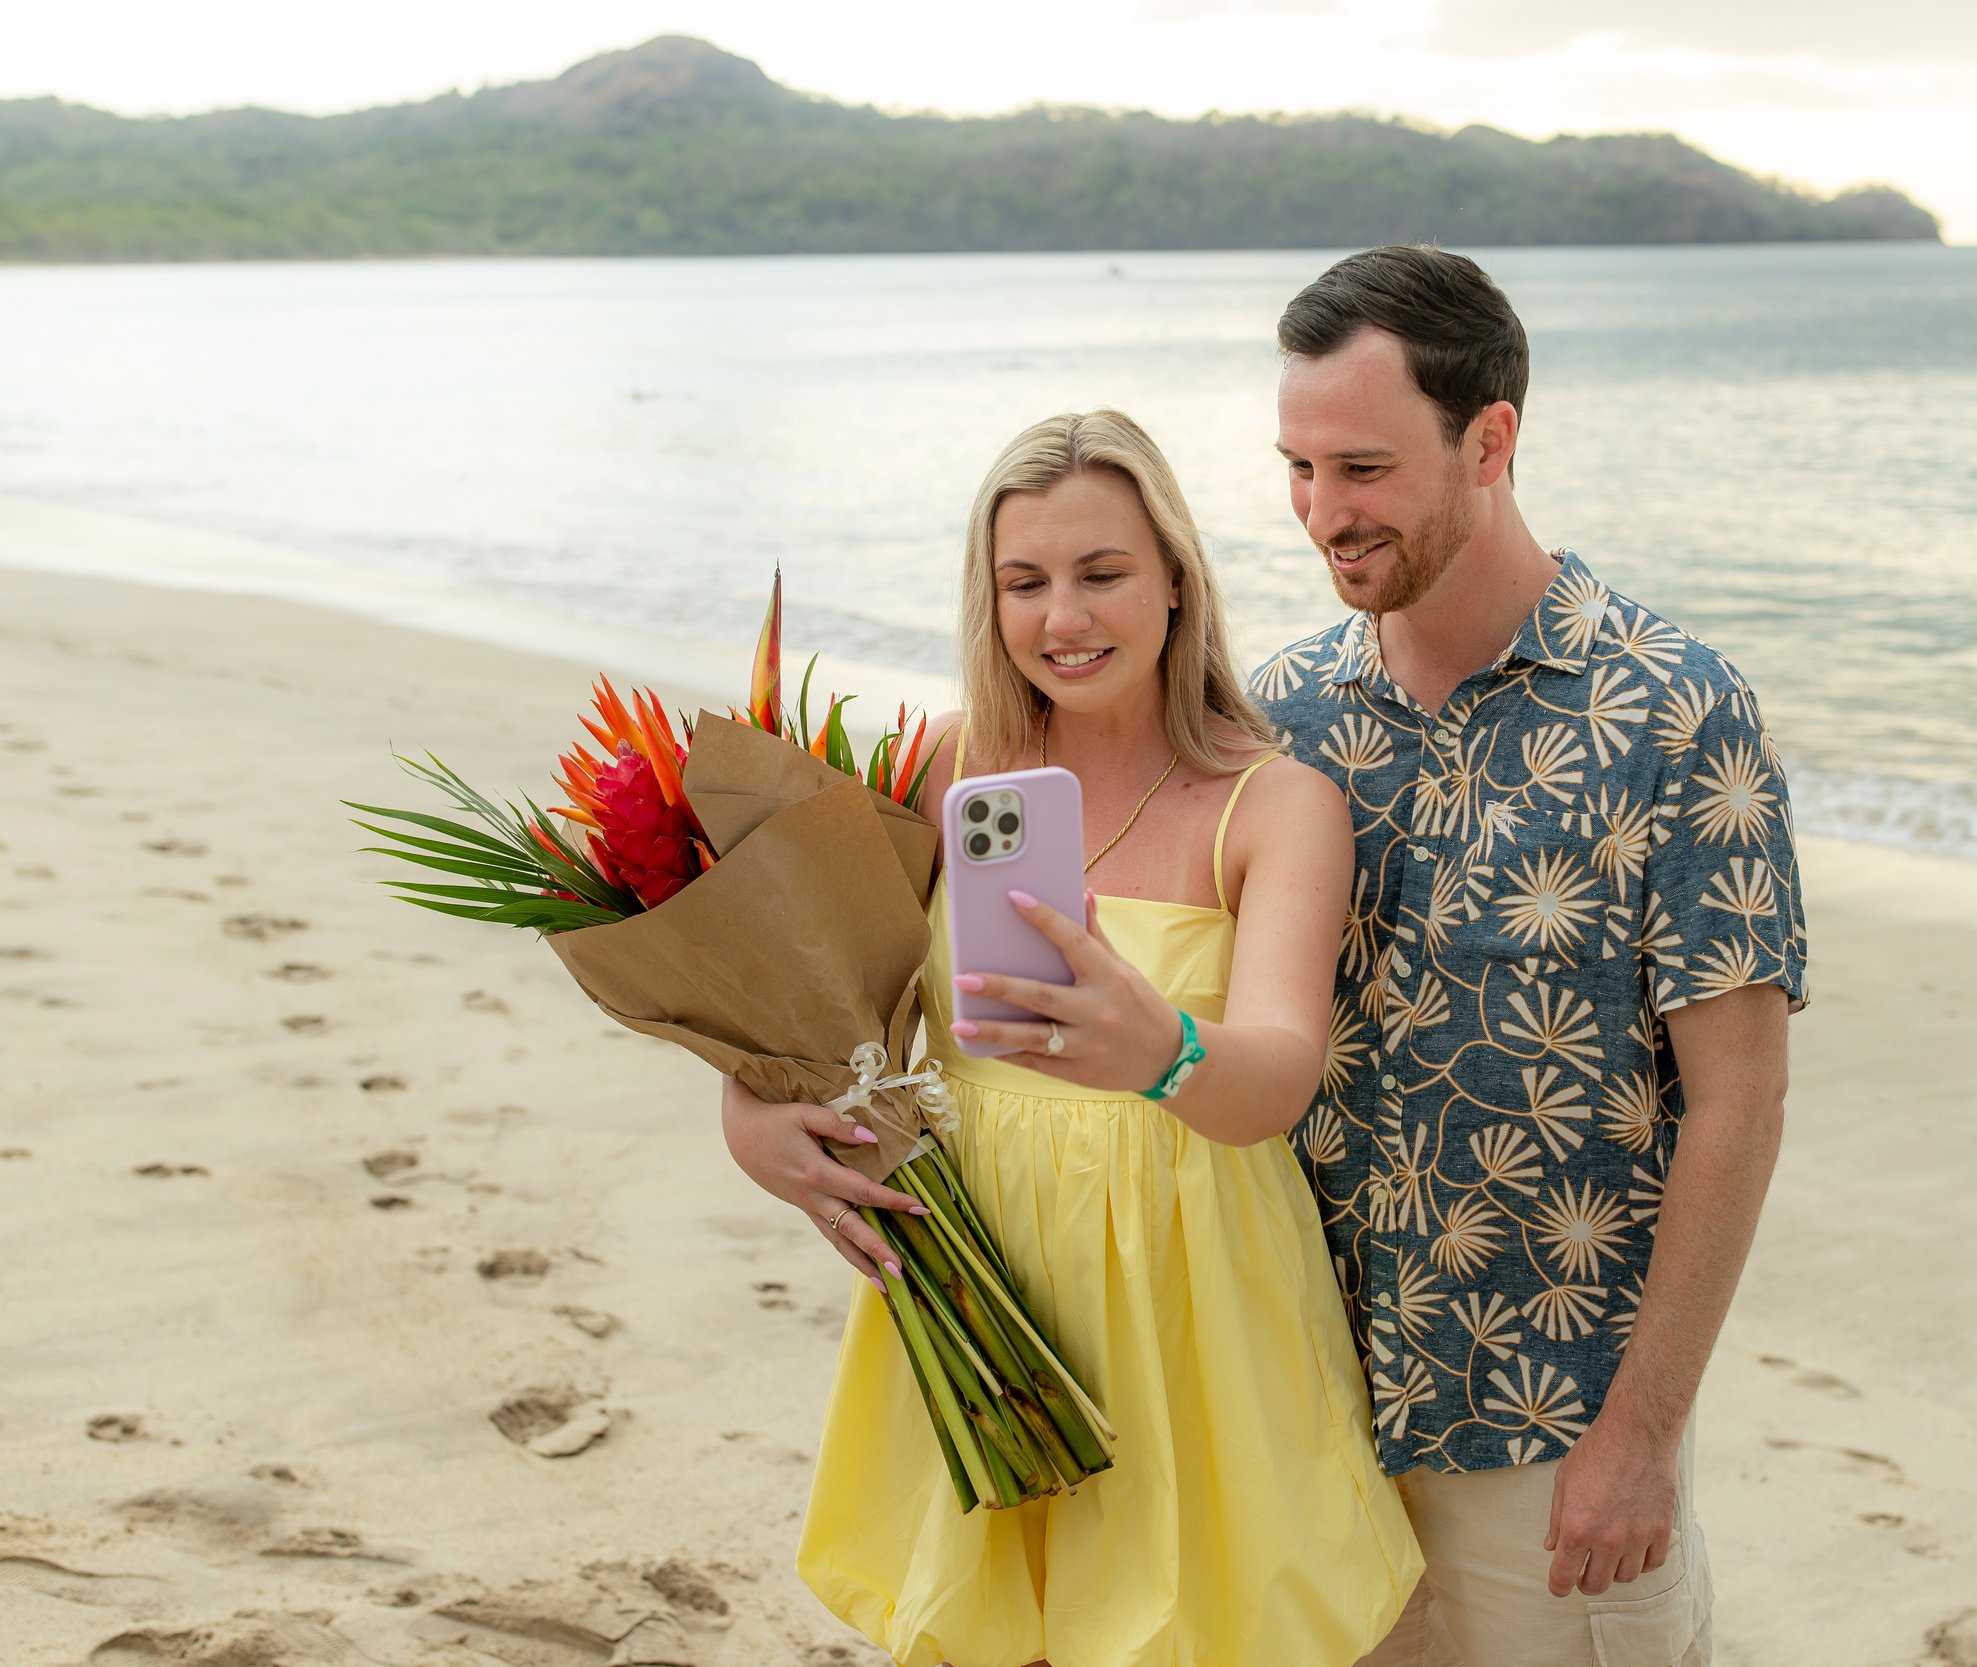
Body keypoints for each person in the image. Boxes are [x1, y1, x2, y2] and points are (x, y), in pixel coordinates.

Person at [719, 410, 1423, 1667]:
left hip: (1190, 1278)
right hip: (980, 1255)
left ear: (1173, 579)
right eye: (1024, 582)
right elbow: (819, 1013)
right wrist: (753, 1117)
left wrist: (1163, 1050)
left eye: (1100, 573)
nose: (1064, 617)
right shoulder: (942, 768)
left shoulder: (1275, 804)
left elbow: (1277, 1072)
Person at [1250, 245, 1809, 1667]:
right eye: (1300, 467)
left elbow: (1738, 1103)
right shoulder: (1283, 712)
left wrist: (1643, 1432)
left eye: (1363, 468)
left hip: (1556, 1434)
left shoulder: (1676, 712)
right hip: (1311, 1407)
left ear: (1489, 438)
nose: (1325, 513)